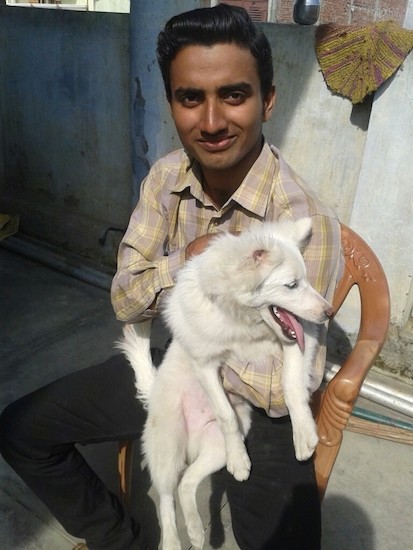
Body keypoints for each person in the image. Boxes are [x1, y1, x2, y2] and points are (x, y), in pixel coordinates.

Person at [0, 4, 342, 550]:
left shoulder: (304, 223)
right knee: (22, 430)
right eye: (191, 98)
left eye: (234, 94)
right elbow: (125, 301)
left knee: (286, 538)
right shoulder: (164, 178)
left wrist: (204, 367)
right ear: (172, 103)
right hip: (178, 360)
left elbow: (288, 381)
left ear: (268, 100)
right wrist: (188, 259)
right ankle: (122, 540)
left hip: (255, 395)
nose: (210, 121)